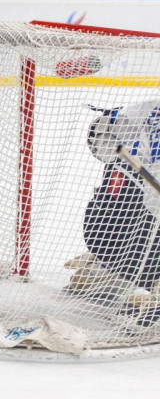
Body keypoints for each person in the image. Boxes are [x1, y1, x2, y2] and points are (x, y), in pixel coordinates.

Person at [66, 101, 160, 326]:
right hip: (116, 235)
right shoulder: (148, 111)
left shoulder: (149, 110)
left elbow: (108, 126)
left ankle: (111, 270)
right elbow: (104, 129)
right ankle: (113, 269)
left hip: (113, 233)